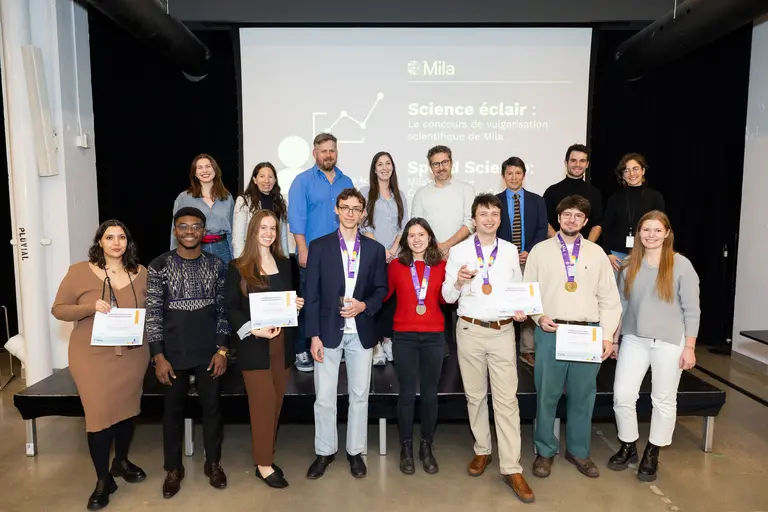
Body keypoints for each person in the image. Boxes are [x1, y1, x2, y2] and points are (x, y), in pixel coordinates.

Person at [442, 194, 535, 504]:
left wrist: (521, 309)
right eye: (484, 213)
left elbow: (518, 290)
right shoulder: (458, 251)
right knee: (475, 396)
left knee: (507, 400)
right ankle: (482, 450)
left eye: (495, 213)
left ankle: (512, 467)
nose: (490, 219)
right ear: (475, 218)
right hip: (468, 329)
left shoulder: (509, 251)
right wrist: (457, 281)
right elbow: (447, 297)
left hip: (502, 331)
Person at [51, 220, 149, 511]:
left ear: (128, 242)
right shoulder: (79, 271)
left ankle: (121, 461)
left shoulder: (141, 273)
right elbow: (59, 309)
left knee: (127, 410)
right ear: (100, 242)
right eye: (110, 237)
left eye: (121, 237)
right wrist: (89, 307)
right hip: (91, 356)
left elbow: (152, 309)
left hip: (133, 354)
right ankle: (103, 480)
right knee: (98, 415)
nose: (116, 242)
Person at [523, 195, 621, 479]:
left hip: (586, 332)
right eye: (567, 214)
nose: (572, 220)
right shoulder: (540, 251)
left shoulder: (596, 253)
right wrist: (538, 317)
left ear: (586, 221)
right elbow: (529, 291)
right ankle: (544, 450)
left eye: (578, 216)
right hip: (551, 331)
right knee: (547, 395)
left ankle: (578, 450)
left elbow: (610, 300)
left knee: (582, 396)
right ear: (558, 217)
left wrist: (607, 336)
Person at [146, 206, 231, 499]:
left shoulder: (217, 266)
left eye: (196, 226)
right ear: (175, 230)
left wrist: (222, 350)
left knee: (212, 411)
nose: (190, 231)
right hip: (172, 355)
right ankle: (173, 469)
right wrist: (158, 356)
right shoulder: (159, 266)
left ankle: (213, 463)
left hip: (209, 353)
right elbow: (153, 313)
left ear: (204, 231)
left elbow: (223, 311)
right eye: (184, 226)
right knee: (171, 413)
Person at [609, 211, 699, 482]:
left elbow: (692, 310)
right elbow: (621, 306)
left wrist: (690, 348)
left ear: (667, 233)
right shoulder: (628, 265)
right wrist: (614, 339)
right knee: (623, 396)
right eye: (646, 230)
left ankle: (653, 451)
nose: (651, 235)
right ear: (638, 233)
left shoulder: (680, 264)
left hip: (670, 343)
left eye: (657, 230)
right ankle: (628, 444)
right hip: (635, 339)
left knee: (662, 399)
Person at [304, 188, 388, 480]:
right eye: (346, 207)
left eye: (356, 208)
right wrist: (313, 335)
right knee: (325, 397)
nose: (351, 213)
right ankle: (325, 452)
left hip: (362, 331)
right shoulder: (319, 246)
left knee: (359, 395)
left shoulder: (375, 250)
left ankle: (355, 452)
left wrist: (365, 306)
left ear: (363, 213)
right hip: (327, 332)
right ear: (336, 210)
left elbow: (381, 291)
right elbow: (311, 294)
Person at [225, 209, 304, 488]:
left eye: (273, 228)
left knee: (276, 403)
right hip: (254, 345)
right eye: (263, 228)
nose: (269, 233)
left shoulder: (284, 263)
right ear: (253, 232)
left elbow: (287, 300)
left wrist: (294, 305)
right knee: (262, 404)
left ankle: (266, 454)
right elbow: (230, 308)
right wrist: (251, 329)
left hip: (282, 345)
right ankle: (263, 463)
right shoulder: (238, 266)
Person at [288, 132, 354, 372]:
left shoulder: (346, 182)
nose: (328, 155)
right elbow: (296, 218)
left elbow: (352, 216)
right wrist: (302, 249)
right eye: (324, 150)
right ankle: (301, 350)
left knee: (337, 301)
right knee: (308, 302)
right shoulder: (302, 181)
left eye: (332, 150)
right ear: (315, 153)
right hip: (312, 254)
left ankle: (335, 344)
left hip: (342, 254)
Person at [385, 218, 446, 475]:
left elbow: (446, 298)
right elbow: (382, 294)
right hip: (405, 337)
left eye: (421, 234)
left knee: (430, 396)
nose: (417, 239)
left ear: (430, 237)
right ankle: (406, 447)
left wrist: (460, 284)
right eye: (411, 235)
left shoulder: (442, 266)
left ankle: (426, 446)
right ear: (405, 240)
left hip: (434, 336)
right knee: (407, 394)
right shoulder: (397, 266)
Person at [411, 145, 475, 355]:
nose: (441, 167)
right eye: (436, 163)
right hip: (432, 257)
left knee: (461, 303)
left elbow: (471, 223)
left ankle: (462, 350)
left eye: (444, 162)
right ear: (430, 167)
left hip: (461, 256)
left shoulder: (465, 189)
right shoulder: (422, 193)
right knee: (437, 302)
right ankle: (441, 349)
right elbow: (416, 226)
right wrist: (436, 249)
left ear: (451, 162)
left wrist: (447, 246)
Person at [496, 156, 548, 367]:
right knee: (504, 303)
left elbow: (542, 229)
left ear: (524, 175)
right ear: (503, 176)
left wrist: (528, 251)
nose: (514, 177)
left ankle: (527, 349)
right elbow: (491, 229)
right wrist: (510, 252)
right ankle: (503, 347)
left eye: (518, 173)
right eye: (509, 173)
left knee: (527, 304)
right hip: (503, 260)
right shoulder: (495, 201)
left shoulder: (537, 200)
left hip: (529, 259)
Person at [360, 151, 408, 365]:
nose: (384, 167)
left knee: (391, 302)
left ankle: (387, 340)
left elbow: (403, 226)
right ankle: (375, 345)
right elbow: (364, 225)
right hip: (372, 255)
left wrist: (393, 250)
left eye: (388, 163)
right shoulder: (365, 192)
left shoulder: (400, 195)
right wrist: (381, 251)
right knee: (373, 299)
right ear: (374, 168)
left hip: (395, 257)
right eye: (380, 164)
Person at [602, 153, 665, 274]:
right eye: (626, 170)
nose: (631, 174)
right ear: (622, 175)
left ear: (643, 171)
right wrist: (608, 253)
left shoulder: (655, 197)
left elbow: (661, 227)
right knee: (617, 293)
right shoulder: (614, 199)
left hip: (646, 254)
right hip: (617, 257)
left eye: (635, 169)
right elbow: (607, 228)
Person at [171, 153, 235, 264]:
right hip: (195, 248)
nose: (204, 171)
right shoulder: (184, 198)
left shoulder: (227, 197)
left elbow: (232, 229)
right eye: (199, 167)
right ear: (194, 173)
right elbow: (175, 229)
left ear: (215, 170)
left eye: (208, 166)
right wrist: (174, 256)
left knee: (225, 280)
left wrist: (235, 256)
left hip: (223, 249)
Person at [543, 144, 603, 241]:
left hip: (585, 251)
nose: (577, 165)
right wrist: (560, 244)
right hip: (556, 249)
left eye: (582, 161)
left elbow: (597, 224)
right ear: (566, 163)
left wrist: (586, 247)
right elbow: (544, 222)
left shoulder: (595, 193)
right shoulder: (552, 191)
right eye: (573, 160)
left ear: (587, 164)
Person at [232, 161, 290, 257]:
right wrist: (240, 261)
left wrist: (286, 259)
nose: (266, 180)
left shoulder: (280, 203)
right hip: (252, 255)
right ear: (254, 179)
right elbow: (238, 236)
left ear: (275, 180)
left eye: (270, 177)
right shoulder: (244, 201)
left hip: (274, 256)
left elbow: (283, 237)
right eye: (262, 176)